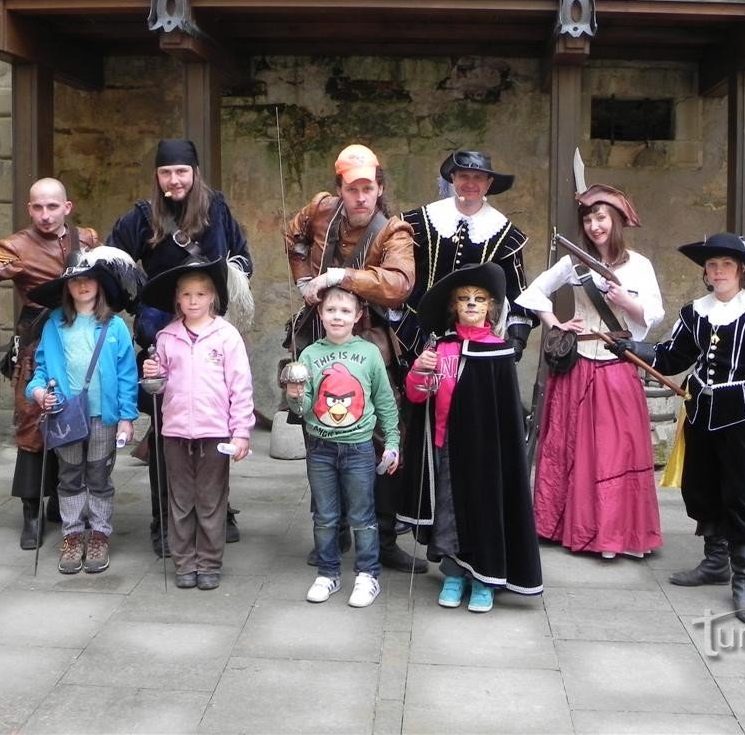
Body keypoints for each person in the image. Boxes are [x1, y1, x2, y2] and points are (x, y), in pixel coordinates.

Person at [610, 232, 745, 624]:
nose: (718, 271)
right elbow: (670, 357)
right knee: (701, 485)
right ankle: (715, 561)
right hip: (700, 408)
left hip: (741, 411)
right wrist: (632, 349)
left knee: (741, 491)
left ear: (741, 270)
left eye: (726, 264)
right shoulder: (694, 312)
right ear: (706, 273)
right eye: (711, 265)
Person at [107, 139, 252, 556]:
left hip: (210, 334)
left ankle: (217, 513)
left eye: (182, 172)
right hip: (161, 337)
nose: (174, 180)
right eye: (166, 172)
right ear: (157, 175)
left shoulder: (217, 208)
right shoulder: (141, 215)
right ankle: (164, 521)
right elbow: (114, 263)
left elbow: (242, 256)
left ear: (195, 172)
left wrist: (229, 285)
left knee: (214, 430)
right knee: (166, 433)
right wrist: (142, 301)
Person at [283, 143, 423, 573]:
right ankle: (332, 530)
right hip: (320, 338)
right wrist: (305, 276)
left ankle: (382, 538)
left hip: (371, 344)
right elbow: (294, 234)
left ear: (379, 188)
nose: (361, 197)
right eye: (352, 188)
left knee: (380, 438)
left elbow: (399, 283)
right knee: (318, 432)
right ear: (339, 189)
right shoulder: (320, 209)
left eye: (368, 188)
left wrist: (340, 276)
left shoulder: (394, 231)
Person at [0, 177, 99, 550]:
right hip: (38, 346)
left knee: (77, 419)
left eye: (52, 206)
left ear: (67, 207)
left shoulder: (88, 239)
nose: (45, 215)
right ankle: (32, 513)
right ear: (29, 209)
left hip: (81, 343)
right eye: (38, 207)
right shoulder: (16, 247)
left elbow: (105, 275)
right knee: (34, 426)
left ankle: (65, 501)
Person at [515, 184, 665, 558]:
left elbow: (652, 315)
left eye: (601, 218)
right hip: (577, 366)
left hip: (617, 365)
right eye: (589, 218)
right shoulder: (574, 262)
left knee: (614, 452)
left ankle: (612, 535)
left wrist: (626, 301)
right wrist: (557, 323)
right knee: (570, 448)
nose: (595, 225)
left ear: (616, 221)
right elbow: (532, 294)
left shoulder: (640, 265)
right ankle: (561, 526)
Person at [398, 263, 543, 612]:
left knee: (484, 511)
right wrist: (420, 371)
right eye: (465, 299)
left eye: (480, 299)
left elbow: (504, 414)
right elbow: (418, 398)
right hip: (444, 445)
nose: (473, 304)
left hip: (484, 455)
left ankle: (484, 580)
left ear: (492, 308)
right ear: (455, 306)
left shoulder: (499, 352)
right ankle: (453, 574)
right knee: (448, 513)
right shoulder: (442, 348)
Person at [140, 257, 255, 590]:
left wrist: (241, 431)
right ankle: (184, 562)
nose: (193, 301)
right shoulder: (166, 337)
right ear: (177, 298)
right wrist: (153, 374)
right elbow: (159, 382)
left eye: (200, 295)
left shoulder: (226, 336)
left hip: (215, 431)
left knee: (210, 500)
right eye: (187, 295)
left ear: (212, 298)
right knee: (179, 500)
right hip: (175, 431)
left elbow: (240, 386)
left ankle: (208, 562)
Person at [25, 247, 141, 574]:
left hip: (104, 416)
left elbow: (127, 376)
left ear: (100, 285)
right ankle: (73, 533)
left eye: (90, 280)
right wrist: (37, 392)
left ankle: (100, 533)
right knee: (71, 475)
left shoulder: (115, 327)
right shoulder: (53, 326)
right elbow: (41, 370)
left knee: (99, 474)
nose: (83, 286)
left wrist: (127, 418)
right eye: (76, 281)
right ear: (67, 287)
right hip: (65, 415)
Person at [284, 286, 401, 608]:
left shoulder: (369, 353)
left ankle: (368, 574)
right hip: (320, 448)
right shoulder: (309, 355)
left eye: (345, 311)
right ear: (320, 314)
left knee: (363, 515)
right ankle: (328, 572)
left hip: (360, 448)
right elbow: (304, 409)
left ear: (358, 316)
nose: (338, 316)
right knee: (324, 516)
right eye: (331, 310)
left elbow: (385, 401)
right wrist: (295, 397)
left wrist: (392, 441)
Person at [397, 150, 534, 362]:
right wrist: (398, 321)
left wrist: (517, 340)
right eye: (463, 176)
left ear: (489, 183)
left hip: (478, 338)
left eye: (478, 177)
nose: (470, 183)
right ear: (452, 178)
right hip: (418, 334)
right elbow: (400, 274)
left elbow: (517, 292)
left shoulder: (505, 234)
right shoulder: (421, 221)